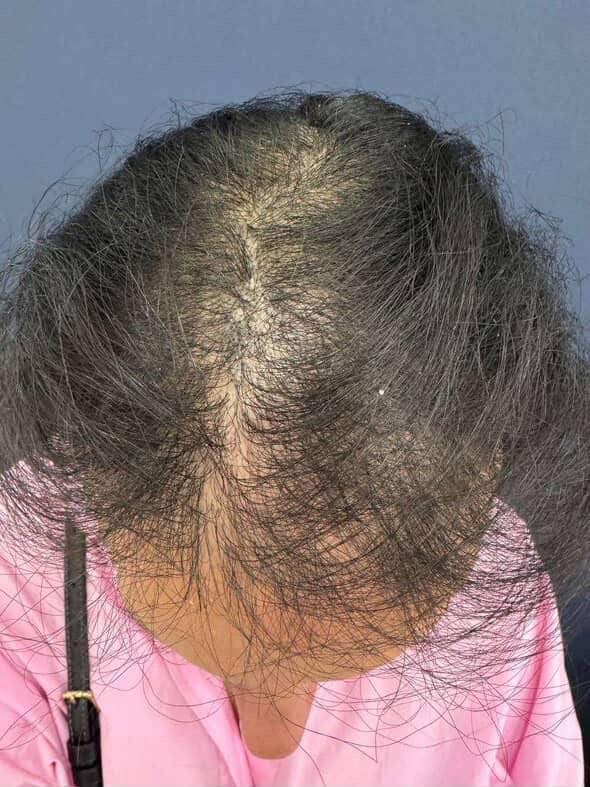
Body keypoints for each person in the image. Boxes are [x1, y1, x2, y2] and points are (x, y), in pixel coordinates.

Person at [0, 88, 588, 787]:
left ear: (481, 484)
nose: (273, 742)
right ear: (92, 472)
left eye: (349, 657)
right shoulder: (19, 578)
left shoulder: (498, 576)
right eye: (221, 660)